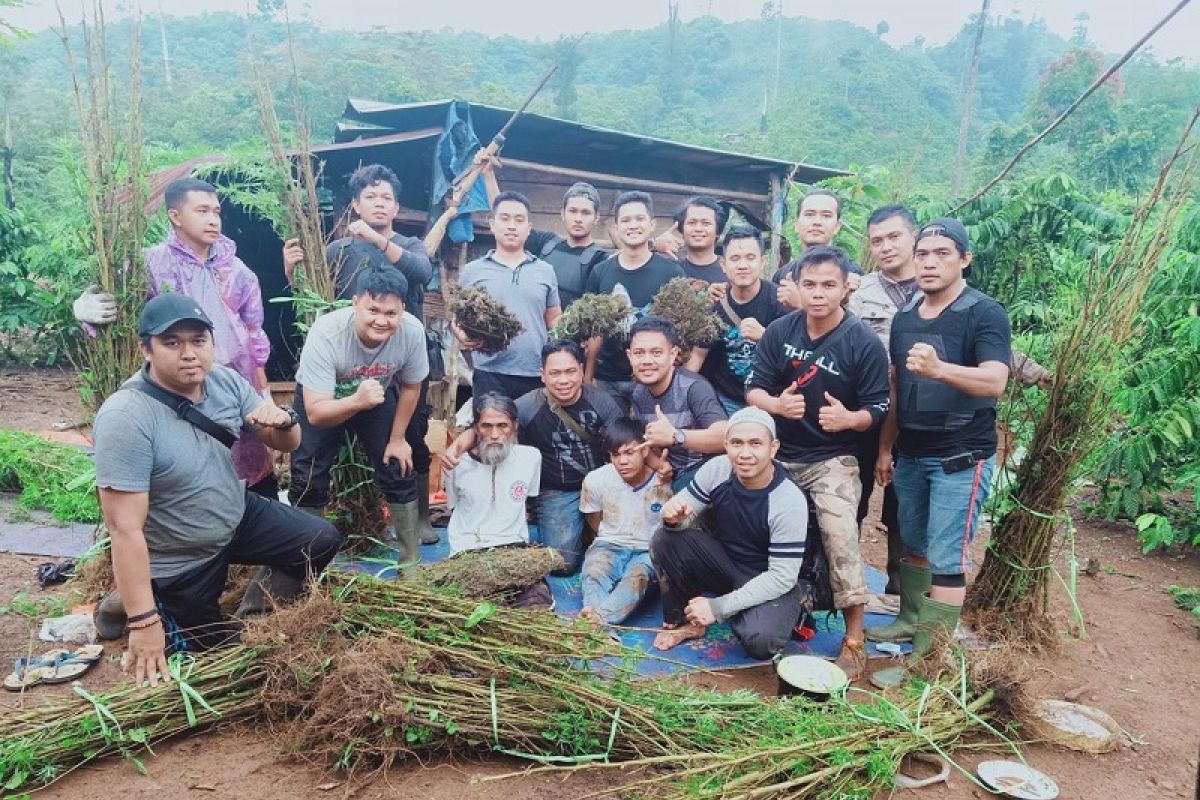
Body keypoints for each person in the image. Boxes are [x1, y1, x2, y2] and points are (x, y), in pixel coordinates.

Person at [92, 294, 340, 682]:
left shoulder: (223, 380)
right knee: (215, 664)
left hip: (235, 515)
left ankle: (254, 615)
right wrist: (144, 624)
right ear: (146, 349)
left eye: (198, 340)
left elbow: (285, 445)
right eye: (172, 343)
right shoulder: (126, 417)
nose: (189, 353)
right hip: (180, 554)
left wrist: (285, 422)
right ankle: (132, 601)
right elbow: (125, 528)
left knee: (320, 539)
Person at [868, 219, 1011, 689]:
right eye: (923, 253)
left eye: (942, 253)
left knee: (948, 557)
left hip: (960, 457)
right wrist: (886, 447)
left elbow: (995, 380)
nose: (929, 262)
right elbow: (896, 387)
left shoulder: (984, 312)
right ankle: (910, 621)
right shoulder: (906, 317)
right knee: (914, 542)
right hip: (911, 454)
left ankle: (927, 664)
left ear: (964, 258)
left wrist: (940, 368)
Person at [73, 177, 277, 496]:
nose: (213, 219)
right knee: (183, 472)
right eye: (202, 210)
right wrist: (85, 311)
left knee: (248, 475)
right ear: (175, 216)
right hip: (171, 390)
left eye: (216, 211)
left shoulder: (237, 272)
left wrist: (261, 391)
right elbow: (118, 320)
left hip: (231, 388)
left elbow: (254, 334)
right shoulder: (147, 265)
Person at [746, 244, 889, 680]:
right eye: (809, 284)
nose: (819, 294)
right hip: (780, 452)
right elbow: (752, 390)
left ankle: (855, 638)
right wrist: (775, 405)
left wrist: (850, 418)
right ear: (796, 286)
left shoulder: (862, 342)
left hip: (833, 457)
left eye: (829, 285)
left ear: (846, 287)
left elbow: (878, 409)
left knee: (840, 531)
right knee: (734, 511)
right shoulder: (779, 331)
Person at [282, 164, 440, 544]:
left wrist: (375, 239)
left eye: (386, 197)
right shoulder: (338, 250)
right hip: (344, 361)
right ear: (355, 204)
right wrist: (292, 273)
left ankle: (416, 525)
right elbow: (315, 294)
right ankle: (314, 538)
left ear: (397, 207)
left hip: (396, 364)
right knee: (316, 456)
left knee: (409, 440)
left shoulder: (410, 246)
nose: (379, 204)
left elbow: (421, 270)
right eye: (370, 197)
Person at [440, 339, 624, 574]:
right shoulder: (528, 406)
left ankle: (590, 530)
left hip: (600, 484)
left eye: (570, 371)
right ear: (543, 375)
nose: (564, 380)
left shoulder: (602, 401)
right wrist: (460, 443)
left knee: (622, 542)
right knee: (562, 565)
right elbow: (495, 423)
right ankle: (575, 530)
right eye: (555, 373)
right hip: (558, 491)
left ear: (581, 369)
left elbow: (623, 439)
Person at [288, 269, 429, 564]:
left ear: (402, 309)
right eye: (373, 310)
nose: (381, 320)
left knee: (399, 465)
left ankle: (411, 564)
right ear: (355, 303)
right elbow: (315, 413)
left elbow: (411, 386)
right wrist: (355, 400)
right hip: (325, 400)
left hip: (376, 395)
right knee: (308, 475)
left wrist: (398, 438)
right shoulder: (327, 333)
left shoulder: (412, 332)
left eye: (391, 312)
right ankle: (305, 565)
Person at [649, 407, 812, 660]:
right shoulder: (718, 469)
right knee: (665, 538)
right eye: (737, 443)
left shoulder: (788, 500)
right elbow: (681, 515)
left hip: (770, 577)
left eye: (755, 443)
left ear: (773, 447)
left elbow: (781, 576)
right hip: (726, 564)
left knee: (761, 641)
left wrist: (719, 607)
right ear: (726, 444)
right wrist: (673, 518)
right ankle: (687, 621)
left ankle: (780, 608)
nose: (745, 453)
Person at [848, 205, 921, 593]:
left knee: (904, 505)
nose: (887, 246)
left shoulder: (937, 285)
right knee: (854, 496)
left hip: (917, 415)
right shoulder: (860, 293)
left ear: (914, 236)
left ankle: (899, 589)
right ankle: (841, 582)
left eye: (894, 237)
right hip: (868, 410)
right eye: (878, 240)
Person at [443, 392, 552, 608]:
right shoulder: (456, 464)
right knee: (468, 608)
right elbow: (453, 506)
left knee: (535, 603)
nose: (494, 434)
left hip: (514, 548)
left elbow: (527, 497)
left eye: (502, 425)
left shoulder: (530, 458)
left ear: (515, 426)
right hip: (468, 549)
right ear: (475, 429)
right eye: (486, 426)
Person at [451, 190, 562, 400]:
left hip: (534, 371)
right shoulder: (473, 271)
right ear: (492, 224)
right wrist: (462, 335)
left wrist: (573, 331)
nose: (512, 225)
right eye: (505, 218)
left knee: (530, 431)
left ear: (528, 228)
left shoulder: (545, 270)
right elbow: (457, 318)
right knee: (492, 431)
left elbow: (554, 318)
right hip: (489, 371)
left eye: (519, 220)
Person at [584, 191, 685, 410]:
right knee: (612, 438)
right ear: (616, 228)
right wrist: (588, 376)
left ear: (652, 225)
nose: (633, 225)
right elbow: (595, 332)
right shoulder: (601, 272)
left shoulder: (672, 272)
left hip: (654, 377)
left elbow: (680, 328)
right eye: (626, 220)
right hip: (608, 377)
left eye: (639, 219)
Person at [478, 158, 609, 309]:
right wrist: (488, 175)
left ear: (596, 217)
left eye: (585, 213)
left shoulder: (601, 261)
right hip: (534, 328)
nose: (578, 219)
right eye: (572, 211)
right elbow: (506, 215)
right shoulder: (546, 243)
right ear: (562, 214)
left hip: (569, 331)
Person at [578, 418, 673, 624]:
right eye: (615, 454)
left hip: (647, 548)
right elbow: (595, 520)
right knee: (593, 571)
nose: (622, 461)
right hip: (610, 543)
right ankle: (599, 623)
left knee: (637, 578)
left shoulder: (663, 481)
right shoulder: (596, 480)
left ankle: (595, 621)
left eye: (630, 452)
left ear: (645, 450)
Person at [687, 226, 789, 414]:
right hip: (726, 399)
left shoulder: (780, 302)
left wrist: (765, 336)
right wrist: (681, 389)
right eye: (735, 259)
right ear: (723, 265)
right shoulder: (715, 303)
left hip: (771, 399)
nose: (743, 265)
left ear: (762, 262)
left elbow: (795, 354)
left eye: (750, 258)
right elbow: (699, 354)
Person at [628, 316, 729, 491]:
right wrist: (659, 465)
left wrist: (676, 436)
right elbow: (646, 440)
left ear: (673, 354)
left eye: (656, 353)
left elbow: (724, 437)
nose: (646, 361)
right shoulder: (639, 393)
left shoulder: (694, 387)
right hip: (670, 472)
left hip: (706, 471)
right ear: (629, 356)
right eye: (639, 353)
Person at [771, 190, 863, 306]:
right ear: (796, 225)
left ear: (837, 227)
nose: (817, 222)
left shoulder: (851, 273)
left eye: (826, 216)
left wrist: (799, 304)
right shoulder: (782, 275)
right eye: (809, 214)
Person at [674, 196, 728, 286]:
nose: (698, 229)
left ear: (717, 231)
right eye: (692, 222)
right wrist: (654, 245)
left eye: (706, 223)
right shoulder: (671, 270)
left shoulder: (730, 270)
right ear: (682, 229)